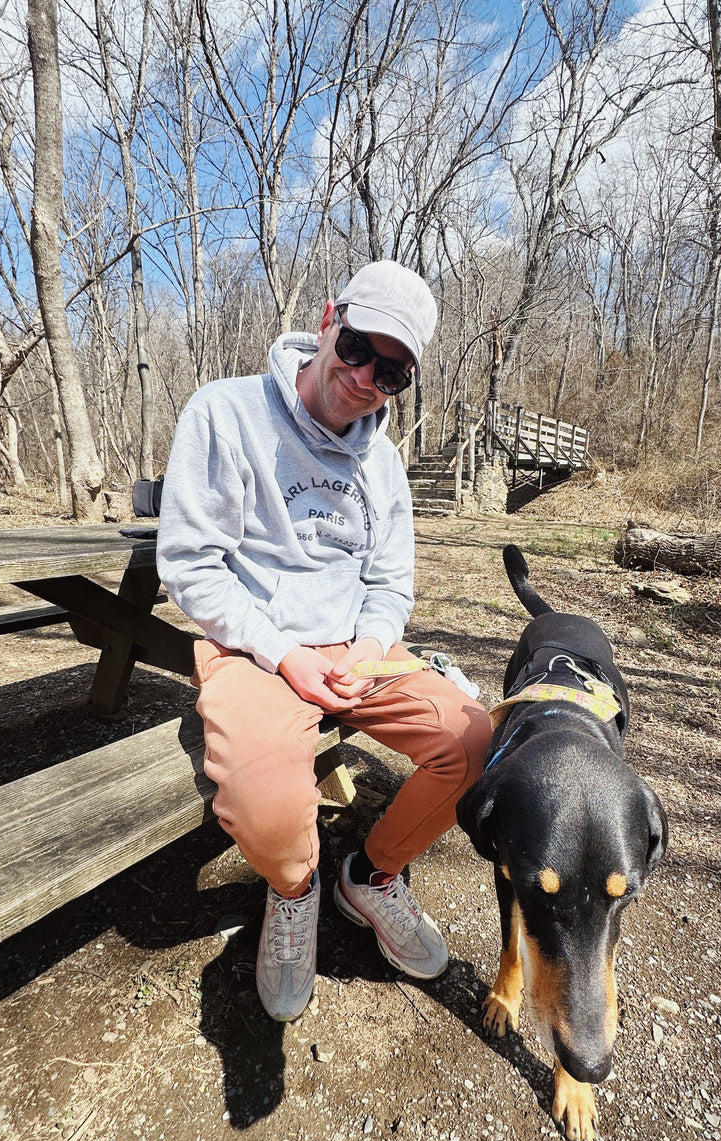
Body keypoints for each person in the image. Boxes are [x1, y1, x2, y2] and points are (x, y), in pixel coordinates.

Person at [157, 260, 494, 1022]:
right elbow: (190, 566)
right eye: (359, 347)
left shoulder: (385, 463)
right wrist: (285, 654)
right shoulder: (226, 413)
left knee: (475, 740)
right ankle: (295, 891)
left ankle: (370, 877)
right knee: (271, 812)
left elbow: (391, 583)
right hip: (254, 646)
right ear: (327, 319)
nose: (367, 376)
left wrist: (369, 648)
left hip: (355, 650)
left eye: (393, 370)